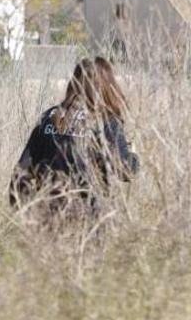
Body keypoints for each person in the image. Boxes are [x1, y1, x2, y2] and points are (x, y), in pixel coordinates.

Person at [9, 57, 139, 222]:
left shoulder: (50, 117)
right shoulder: (105, 121)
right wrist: (134, 158)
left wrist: (27, 215)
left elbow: (21, 173)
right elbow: (123, 170)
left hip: (47, 220)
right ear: (108, 86)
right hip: (90, 223)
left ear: (74, 82)